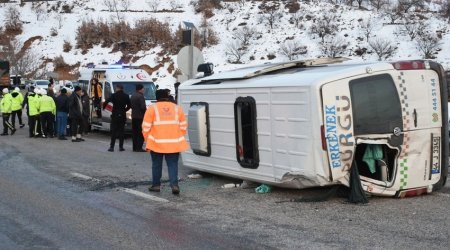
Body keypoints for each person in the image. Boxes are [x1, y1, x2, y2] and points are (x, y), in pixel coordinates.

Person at [143, 89, 189, 195]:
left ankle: (156, 185)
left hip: (156, 143)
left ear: (157, 97)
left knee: (156, 165)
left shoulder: (152, 108)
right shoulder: (177, 108)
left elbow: (145, 127)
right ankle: (174, 185)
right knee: (173, 165)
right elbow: (183, 126)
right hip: (174, 143)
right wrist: (177, 135)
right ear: (167, 97)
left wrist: (147, 140)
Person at [103, 84, 130, 152]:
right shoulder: (126, 96)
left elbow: (106, 101)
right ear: (122, 89)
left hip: (115, 115)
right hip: (122, 115)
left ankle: (112, 147)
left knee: (114, 131)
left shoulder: (114, 95)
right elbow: (129, 105)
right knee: (121, 131)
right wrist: (124, 110)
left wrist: (104, 108)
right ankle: (121, 147)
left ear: (118, 88)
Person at [130, 84, 147, 152]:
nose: (144, 90)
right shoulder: (140, 96)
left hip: (134, 116)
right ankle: (139, 147)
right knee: (140, 133)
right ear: (141, 89)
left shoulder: (133, 95)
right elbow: (143, 107)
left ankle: (134, 147)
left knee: (135, 132)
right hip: (140, 117)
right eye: (143, 88)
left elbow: (131, 105)